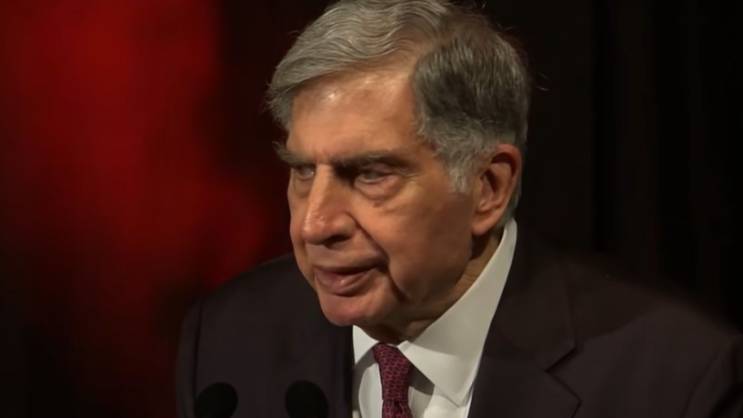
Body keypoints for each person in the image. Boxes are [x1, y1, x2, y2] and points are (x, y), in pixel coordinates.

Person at [176, 1, 743, 417]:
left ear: (487, 187)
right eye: (303, 171)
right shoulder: (228, 338)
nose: (314, 224)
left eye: (370, 174)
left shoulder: (676, 377)